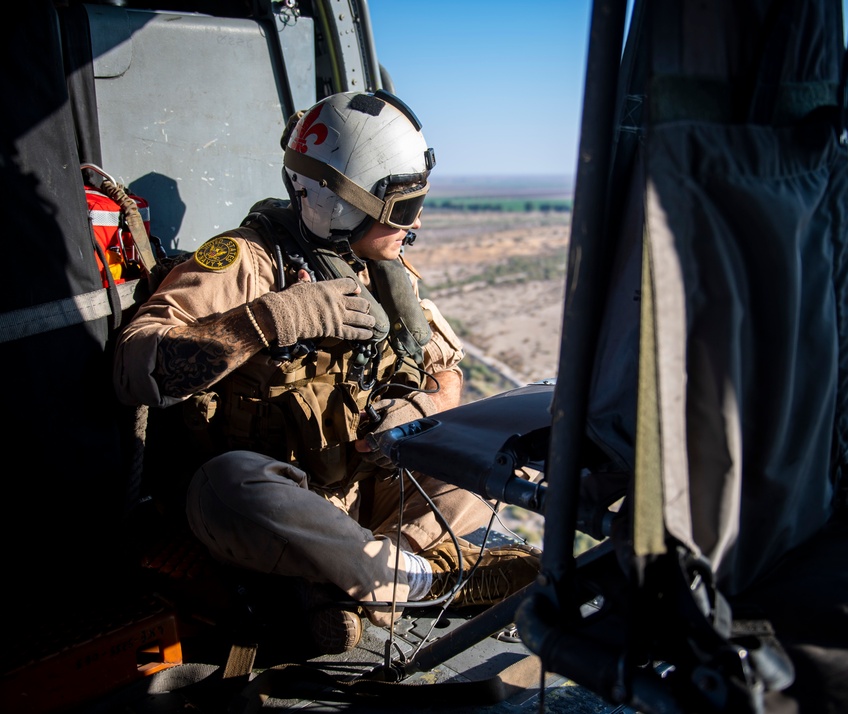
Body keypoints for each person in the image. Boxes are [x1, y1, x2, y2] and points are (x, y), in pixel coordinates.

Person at [113, 90, 541, 653]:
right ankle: (420, 576)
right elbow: (132, 367)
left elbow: (447, 373)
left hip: (358, 496)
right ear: (339, 204)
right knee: (224, 486)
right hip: (282, 503)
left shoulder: (382, 271)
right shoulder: (245, 259)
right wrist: (272, 318)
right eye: (405, 209)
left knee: (497, 453)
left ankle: (367, 582)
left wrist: (423, 409)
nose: (415, 224)